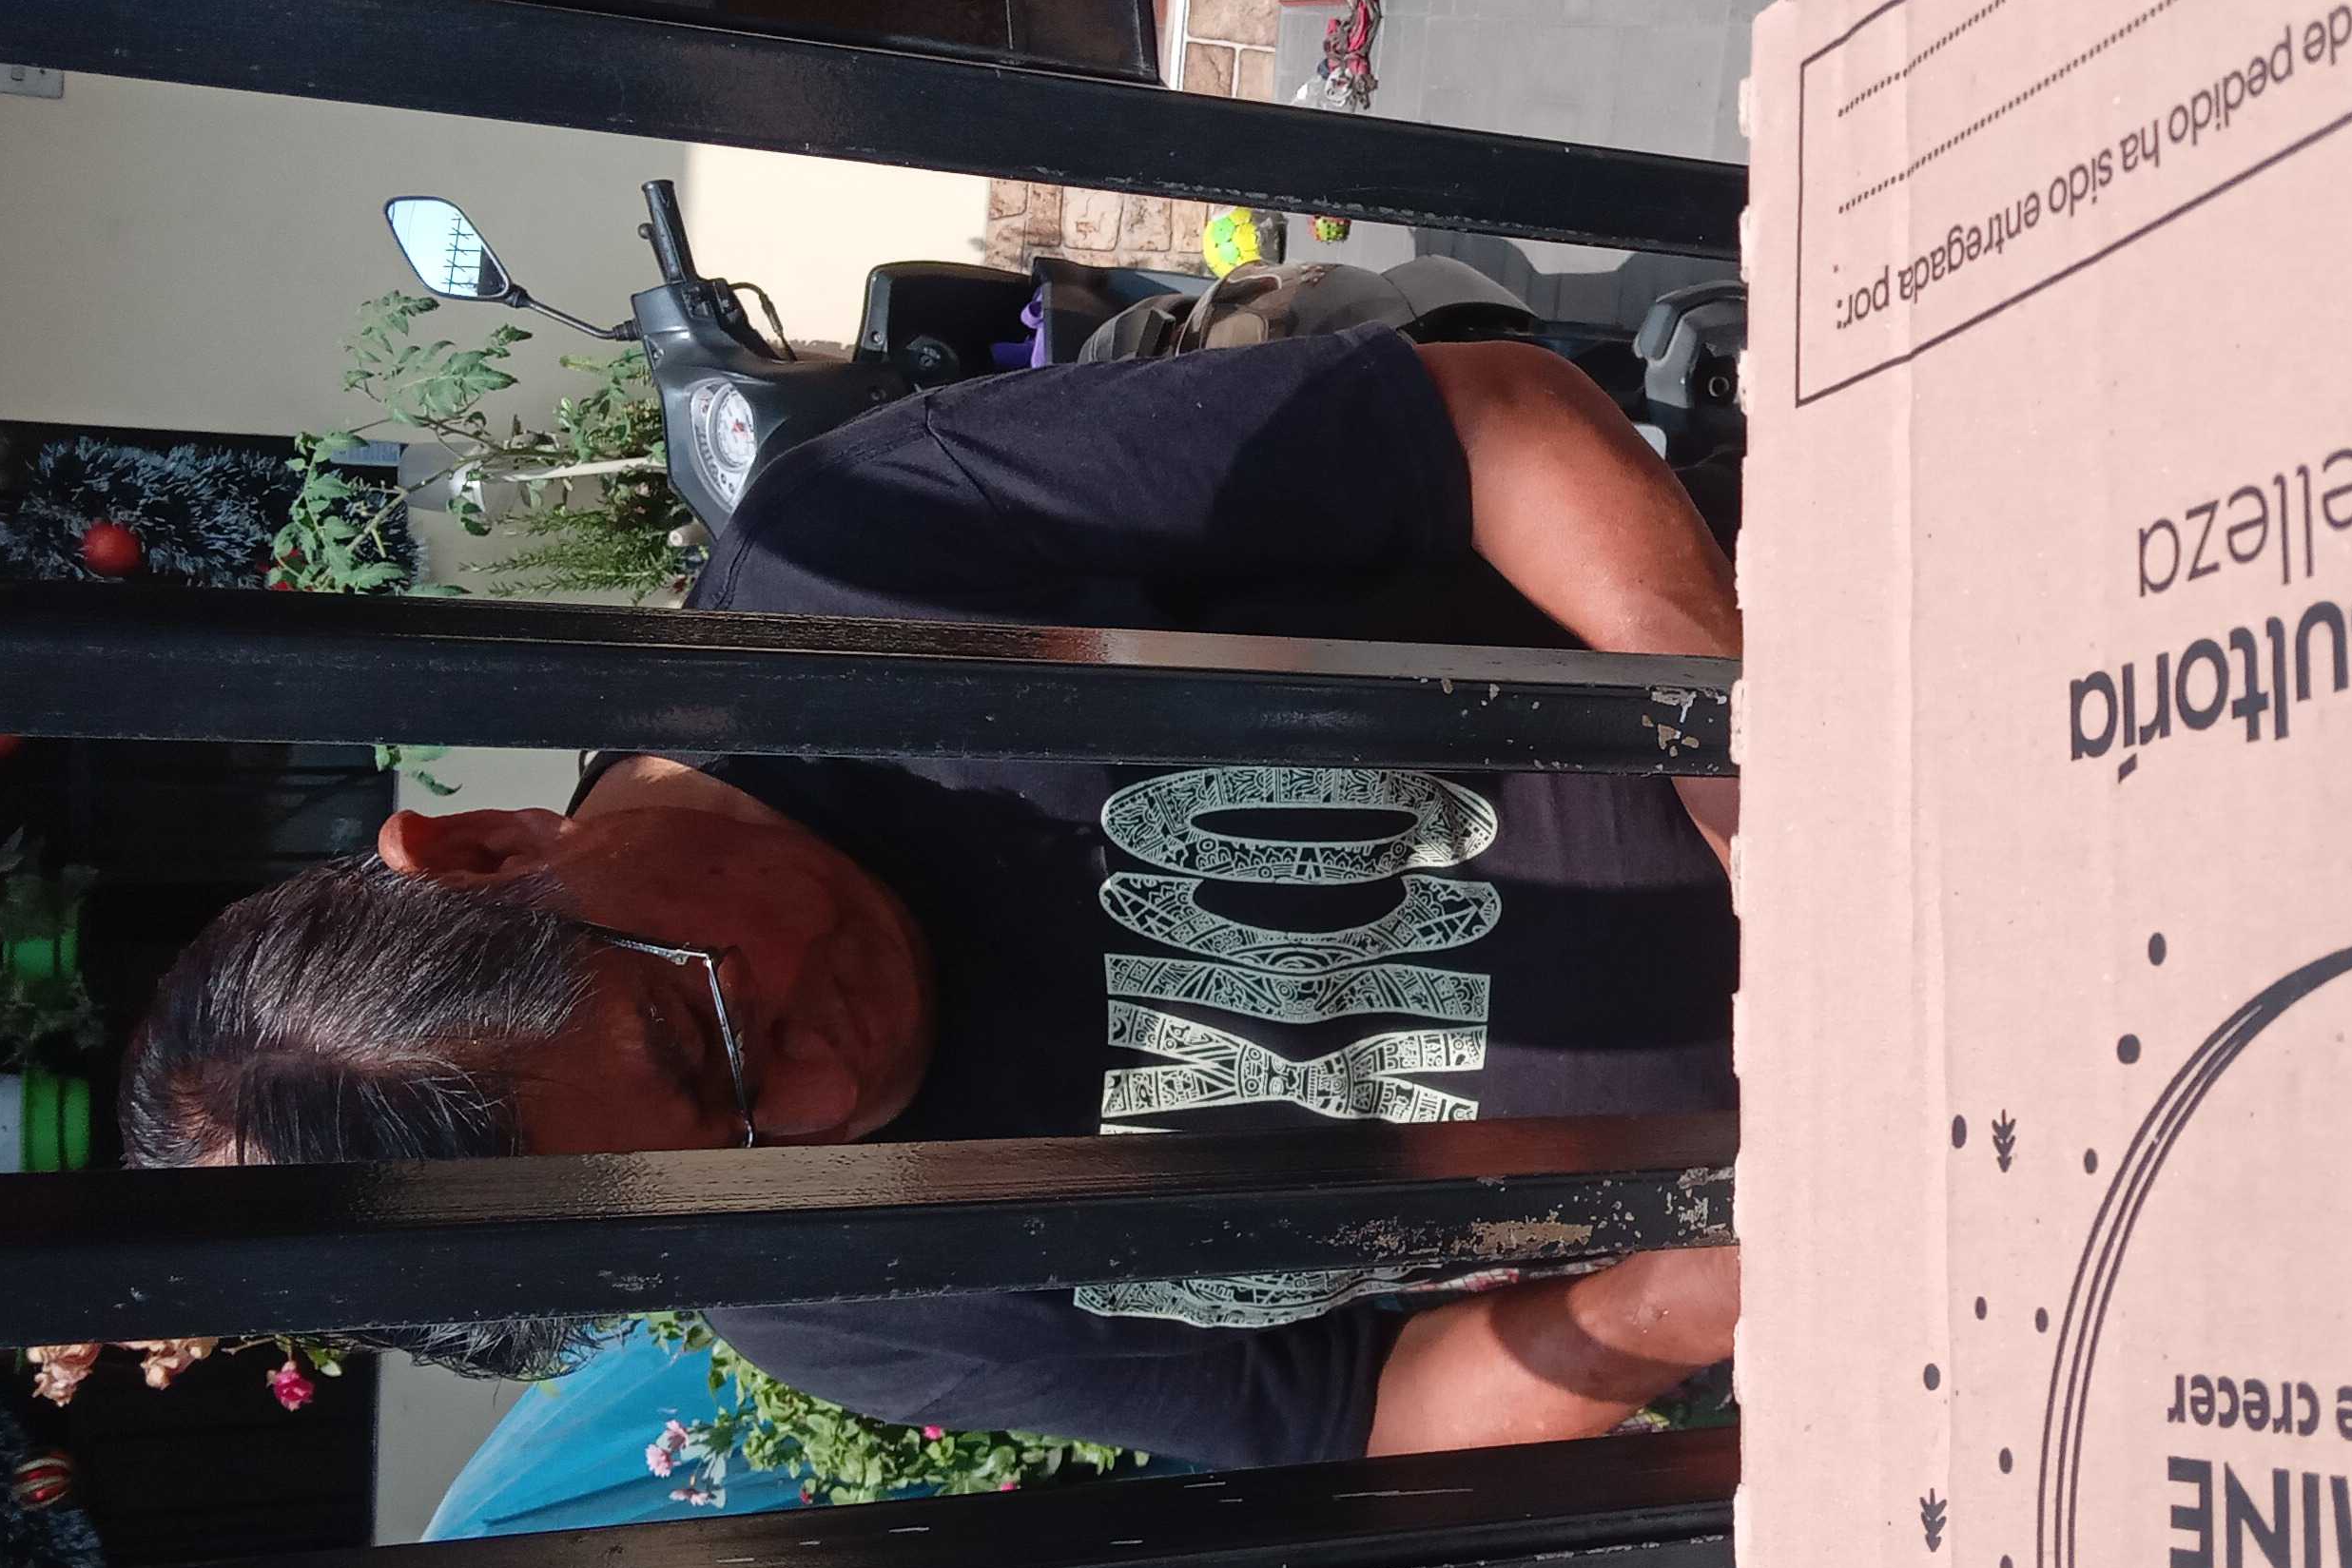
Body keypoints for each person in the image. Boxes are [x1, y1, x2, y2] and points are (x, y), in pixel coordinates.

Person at [124, 327, 1741, 1467]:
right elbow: (1361, 1406)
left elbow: (1480, 430)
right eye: (745, 1164)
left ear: (491, 850)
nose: (821, 1097)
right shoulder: (830, 1307)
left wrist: (1752, 773)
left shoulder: (853, 576)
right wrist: (1704, 1280)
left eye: (697, 1028)